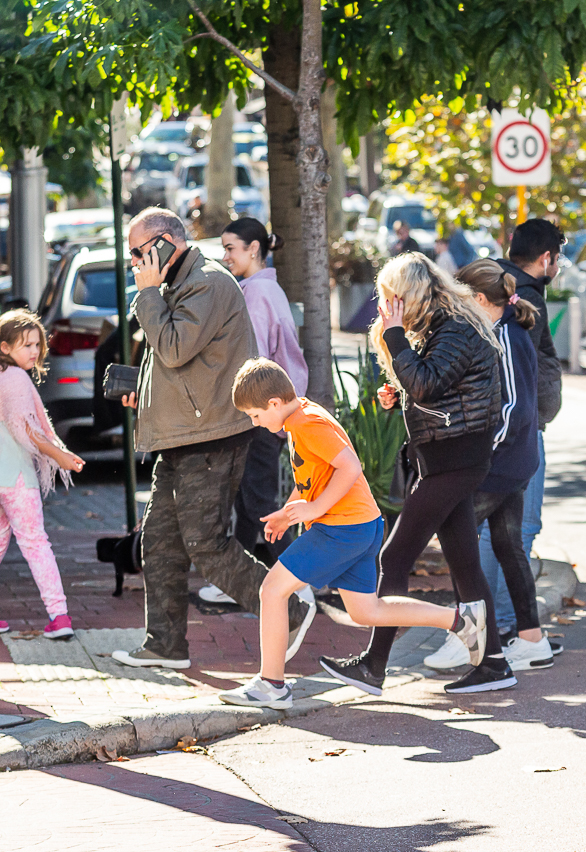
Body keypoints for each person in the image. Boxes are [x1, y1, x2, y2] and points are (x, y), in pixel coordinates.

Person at [108, 207, 313, 670]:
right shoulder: (177, 284)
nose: (135, 262)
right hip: (183, 436)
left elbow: (176, 347)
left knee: (206, 543)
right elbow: (178, 361)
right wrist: (140, 390)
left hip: (212, 436)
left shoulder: (206, 282)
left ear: (164, 243)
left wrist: (145, 295)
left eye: (138, 252)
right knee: (159, 542)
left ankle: (291, 610)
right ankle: (165, 645)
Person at [219, 359, 476, 707]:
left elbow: (350, 467)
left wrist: (313, 510)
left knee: (272, 591)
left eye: (254, 415)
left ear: (274, 404)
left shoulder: (307, 423)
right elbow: (314, 480)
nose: (255, 422)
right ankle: (459, 620)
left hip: (340, 528)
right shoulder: (302, 416)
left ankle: (272, 685)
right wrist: (290, 513)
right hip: (362, 525)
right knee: (366, 611)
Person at [318, 251, 508, 696]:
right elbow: (429, 385)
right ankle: (495, 662)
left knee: (393, 558)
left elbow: (426, 382)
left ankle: (374, 665)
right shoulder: (442, 328)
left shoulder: (454, 329)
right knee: (464, 565)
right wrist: (398, 391)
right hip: (448, 457)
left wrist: (396, 339)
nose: (385, 308)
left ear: (410, 296)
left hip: (454, 460)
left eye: (390, 298)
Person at [452, 261, 552, 670]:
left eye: (462, 302)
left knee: (458, 537)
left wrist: (483, 453)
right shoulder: (505, 330)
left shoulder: (507, 336)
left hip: (501, 464)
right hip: (512, 461)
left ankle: (467, 639)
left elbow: (514, 407)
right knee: (509, 548)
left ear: (479, 300)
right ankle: (531, 639)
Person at [0, 309, 87, 639]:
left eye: (37, 345)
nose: (34, 352)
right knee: (36, 543)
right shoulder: (15, 378)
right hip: (15, 479)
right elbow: (29, 431)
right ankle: (59, 616)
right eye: (26, 345)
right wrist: (62, 456)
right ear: (5, 346)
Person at [217, 217, 307, 571]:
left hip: (262, 413)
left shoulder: (255, 293)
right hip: (270, 411)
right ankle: (239, 578)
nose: (225, 256)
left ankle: (296, 579)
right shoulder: (266, 290)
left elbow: (250, 361)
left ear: (253, 249)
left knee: (256, 502)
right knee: (249, 499)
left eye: (230, 248)